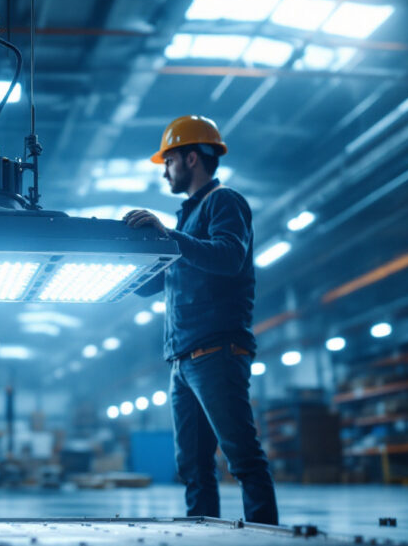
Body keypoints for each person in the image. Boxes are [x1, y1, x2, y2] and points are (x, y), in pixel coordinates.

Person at [123, 116, 278, 524]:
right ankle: (201, 534)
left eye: (169, 160)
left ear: (191, 158)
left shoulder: (224, 202)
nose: (164, 169)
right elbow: (158, 280)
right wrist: (129, 257)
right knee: (192, 467)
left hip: (217, 352)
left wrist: (170, 237)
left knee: (242, 456)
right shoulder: (186, 221)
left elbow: (227, 256)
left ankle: (264, 535)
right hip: (183, 358)